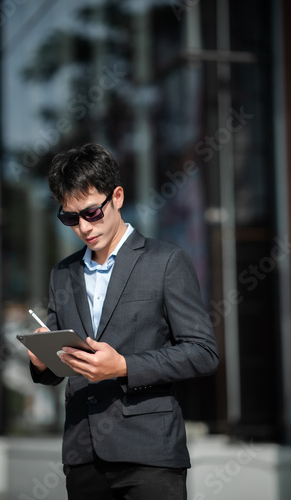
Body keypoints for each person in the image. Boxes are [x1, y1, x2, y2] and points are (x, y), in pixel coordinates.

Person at [28, 143, 219, 500]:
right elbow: (60, 366)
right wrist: (42, 362)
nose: (84, 227)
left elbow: (203, 352)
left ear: (117, 197)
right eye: (70, 218)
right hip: (83, 456)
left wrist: (124, 366)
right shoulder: (62, 273)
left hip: (150, 456)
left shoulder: (166, 262)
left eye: (91, 213)